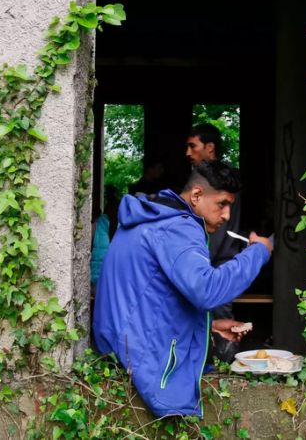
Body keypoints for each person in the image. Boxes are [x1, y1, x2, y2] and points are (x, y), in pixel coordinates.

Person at [92, 161, 272, 417]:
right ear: (197, 195)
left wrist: (206, 327)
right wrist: (258, 253)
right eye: (222, 204)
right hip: (146, 364)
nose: (227, 216)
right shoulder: (178, 227)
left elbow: (149, 298)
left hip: (118, 351)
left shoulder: (151, 217)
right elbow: (207, 290)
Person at [185, 123, 246, 362]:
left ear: (209, 148)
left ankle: (225, 365)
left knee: (221, 312)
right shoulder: (200, 178)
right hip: (209, 259)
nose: (188, 152)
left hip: (219, 259)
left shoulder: (223, 183)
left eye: (193, 146)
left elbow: (221, 230)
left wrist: (201, 261)